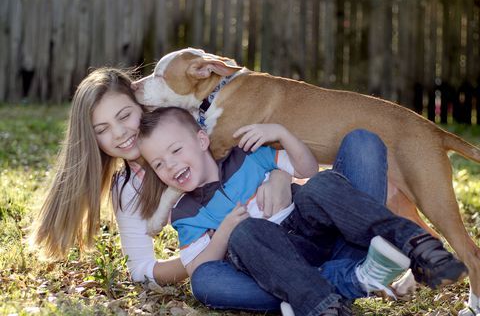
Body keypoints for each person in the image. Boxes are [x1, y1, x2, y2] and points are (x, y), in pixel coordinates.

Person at [137, 106, 467, 316]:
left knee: (328, 178)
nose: (171, 165)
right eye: (159, 164)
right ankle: (336, 292)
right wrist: (224, 231)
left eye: (176, 150)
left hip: (319, 232)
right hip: (274, 260)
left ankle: (413, 244)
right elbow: (199, 268)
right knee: (219, 267)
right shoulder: (186, 212)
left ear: (201, 140)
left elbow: (307, 169)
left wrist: (281, 134)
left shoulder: (248, 156)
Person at [30, 67, 296, 311]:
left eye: (125, 115)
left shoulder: (192, 128)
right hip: (245, 255)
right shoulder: (128, 189)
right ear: (92, 140)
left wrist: (280, 176)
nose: (121, 132)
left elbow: (274, 157)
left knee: (327, 183)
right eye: (102, 129)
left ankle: (312, 284)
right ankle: (313, 287)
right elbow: (140, 269)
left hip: (293, 226)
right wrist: (205, 253)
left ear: (142, 104)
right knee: (206, 283)